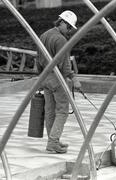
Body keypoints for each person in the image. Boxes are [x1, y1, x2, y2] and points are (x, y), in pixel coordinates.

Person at [37, 10, 81, 154]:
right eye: (68, 27)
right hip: (57, 79)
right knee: (62, 111)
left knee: (50, 111)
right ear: (62, 22)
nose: (69, 31)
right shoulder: (61, 40)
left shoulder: (44, 35)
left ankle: (52, 141)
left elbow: (38, 59)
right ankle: (53, 142)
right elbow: (65, 64)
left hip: (45, 77)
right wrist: (73, 78)